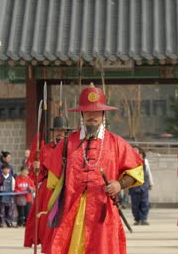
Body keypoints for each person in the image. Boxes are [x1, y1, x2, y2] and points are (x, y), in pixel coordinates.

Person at [45, 83, 144, 253]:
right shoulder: (67, 143)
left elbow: (136, 173)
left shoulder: (116, 143)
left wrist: (119, 185)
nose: (92, 115)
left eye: (97, 111)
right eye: (88, 111)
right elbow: (53, 181)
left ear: (103, 114)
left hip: (103, 213)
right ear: (82, 114)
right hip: (71, 212)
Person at [24, 115, 73, 252]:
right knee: (48, 221)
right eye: (57, 130)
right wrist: (36, 167)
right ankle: (48, 247)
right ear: (53, 132)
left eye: (62, 131)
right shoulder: (45, 149)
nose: (59, 133)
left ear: (66, 132)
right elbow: (37, 176)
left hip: (66, 188)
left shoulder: (72, 149)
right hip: (49, 191)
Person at [129, 146, 154, 226]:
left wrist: (151, 183)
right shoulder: (129, 162)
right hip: (133, 186)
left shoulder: (145, 162)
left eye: (139, 153)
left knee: (144, 203)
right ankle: (137, 219)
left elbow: (148, 172)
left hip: (144, 186)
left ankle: (143, 218)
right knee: (135, 204)